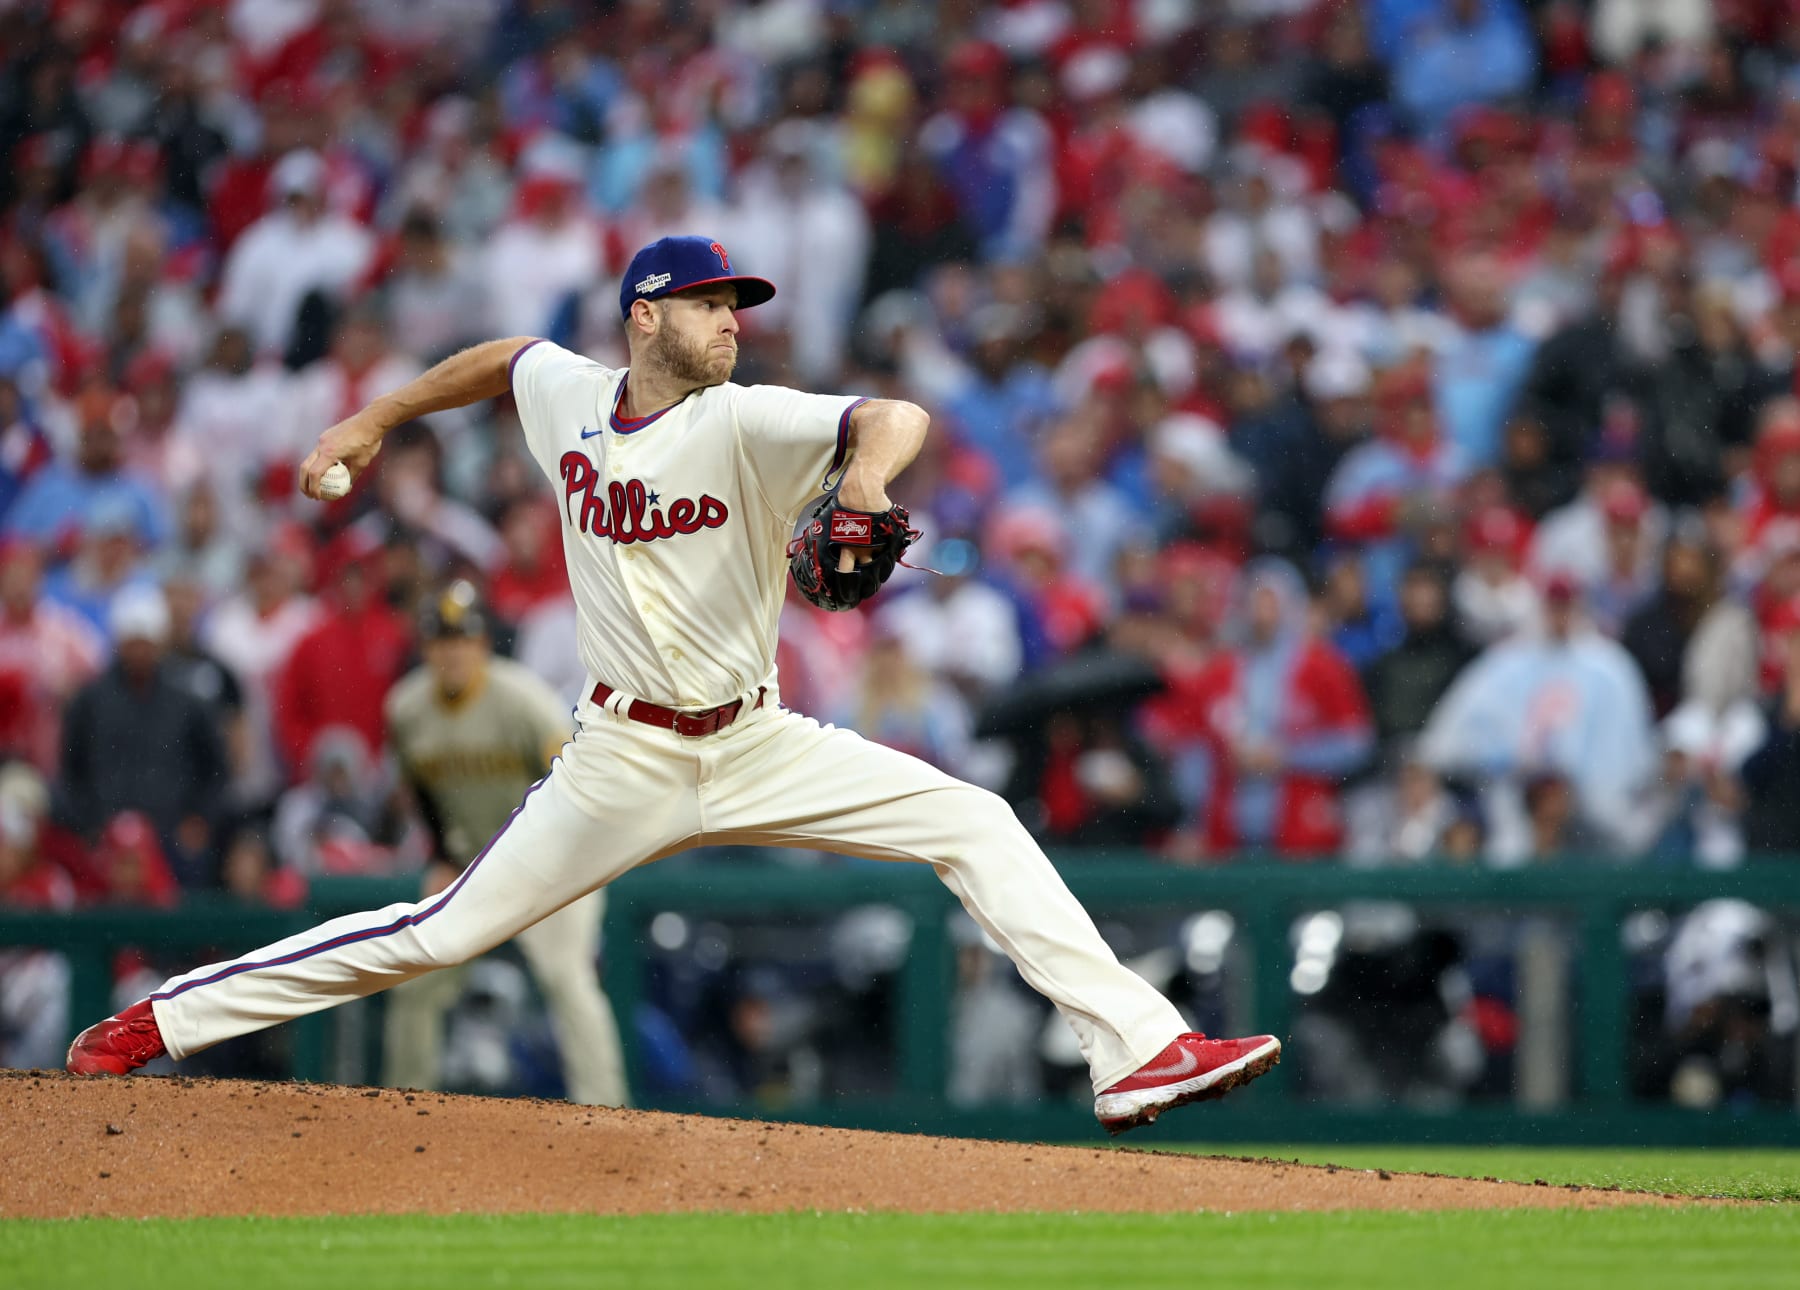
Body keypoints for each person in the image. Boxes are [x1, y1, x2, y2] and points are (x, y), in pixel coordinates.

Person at [65, 236, 1279, 1134]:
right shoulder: (570, 401)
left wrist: (860, 487)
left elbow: (892, 414)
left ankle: (1137, 1050)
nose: (733, 321)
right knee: (438, 933)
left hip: (760, 741)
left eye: (737, 305)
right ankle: (158, 1020)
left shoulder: (745, 420)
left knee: (977, 820)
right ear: (646, 318)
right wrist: (370, 423)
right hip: (621, 758)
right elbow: (503, 359)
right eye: (710, 305)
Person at [377, 583, 626, 1105]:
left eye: (463, 640)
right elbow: (419, 791)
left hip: (550, 859)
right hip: (472, 862)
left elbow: (577, 779)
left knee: (567, 980)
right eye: (442, 641)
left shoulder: (522, 700)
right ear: (426, 648)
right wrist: (443, 854)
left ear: (483, 643)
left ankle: (607, 1112)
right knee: (416, 981)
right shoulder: (406, 708)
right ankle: (402, 1112)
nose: (452, 652)